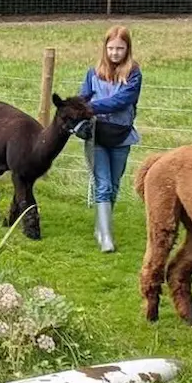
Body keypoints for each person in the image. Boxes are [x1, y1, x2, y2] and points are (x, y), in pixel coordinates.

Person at [78, 25, 142, 254]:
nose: (115, 53)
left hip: (121, 136)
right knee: (103, 185)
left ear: (128, 49)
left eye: (120, 48)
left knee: (114, 186)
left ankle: (100, 226)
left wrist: (90, 107)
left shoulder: (134, 74)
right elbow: (82, 97)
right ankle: (106, 237)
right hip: (97, 136)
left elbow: (122, 100)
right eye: (111, 48)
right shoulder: (92, 73)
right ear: (104, 48)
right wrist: (76, 110)